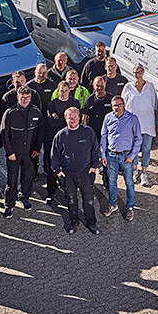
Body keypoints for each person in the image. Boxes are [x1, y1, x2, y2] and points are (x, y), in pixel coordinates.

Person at [51, 107, 101, 235]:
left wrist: (94, 166)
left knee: (89, 199)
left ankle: (91, 222)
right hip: (68, 175)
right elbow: (54, 155)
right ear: (65, 119)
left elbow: (95, 150)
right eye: (69, 118)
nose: (72, 120)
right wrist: (57, 171)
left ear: (79, 118)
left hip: (85, 173)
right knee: (71, 200)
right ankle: (74, 221)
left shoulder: (88, 132)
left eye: (74, 117)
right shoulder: (60, 135)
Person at [0, 85, 43, 216]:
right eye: (22, 97)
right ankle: (9, 204)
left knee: (28, 177)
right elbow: (4, 133)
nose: (24, 100)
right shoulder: (10, 113)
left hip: (30, 152)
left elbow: (40, 132)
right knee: (12, 179)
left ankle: (24, 198)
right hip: (14, 152)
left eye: (27, 98)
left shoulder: (36, 112)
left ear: (31, 98)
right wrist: (9, 152)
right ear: (17, 97)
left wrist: (36, 149)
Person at [43, 73, 83, 203]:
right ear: (58, 91)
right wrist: (64, 121)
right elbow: (52, 123)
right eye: (61, 91)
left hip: (71, 139)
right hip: (53, 139)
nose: (64, 93)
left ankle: (68, 190)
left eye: (66, 91)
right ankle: (51, 192)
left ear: (69, 91)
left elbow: (76, 121)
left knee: (69, 166)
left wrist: (60, 119)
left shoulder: (74, 102)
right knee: (52, 166)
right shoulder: (52, 104)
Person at [101, 95, 142, 220]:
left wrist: (132, 156)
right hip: (111, 155)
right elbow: (103, 136)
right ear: (112, 107)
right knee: (112, 182)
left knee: (129, 182)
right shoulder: (108, 118)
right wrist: (103, 154)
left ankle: (130, 207)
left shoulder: (132, 118)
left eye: (119, 105)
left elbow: (138, 138)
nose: (117, 108)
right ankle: (113, 204)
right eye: (115, 105)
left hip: (126, 156)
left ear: (124, 105)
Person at [122, 64, 158, 187]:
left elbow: (154, 105)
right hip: (132, 125)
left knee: (147, 148)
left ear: (143, 72)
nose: (137, 75)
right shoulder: (128, 87)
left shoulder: (150, 86)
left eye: (139, 72)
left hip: (147, 123)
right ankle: (134, 170)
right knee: (134, 149)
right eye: (135, 72)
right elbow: (123, 105)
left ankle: (144, 173)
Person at [83, 76, 115, 195]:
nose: (99, 87)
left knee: (107, 160)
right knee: (92, 160)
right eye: (97, 85)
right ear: (93, 86)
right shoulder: (89, 100)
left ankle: (107, 182)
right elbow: (84, 118)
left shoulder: (110, 99)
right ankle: (91, 183)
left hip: (108, 136)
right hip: (93, 136)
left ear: (105, 84)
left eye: (101, 84)